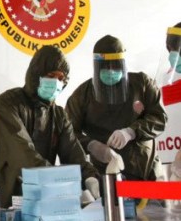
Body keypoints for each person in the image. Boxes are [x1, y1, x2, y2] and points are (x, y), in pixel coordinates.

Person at [0, 45, 100, 208]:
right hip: (2, 200)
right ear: (36, 75)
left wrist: (90, 177)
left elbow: (73, 152)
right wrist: (62, 184)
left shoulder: (58, 115)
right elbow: (22, 155)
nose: (56, 82)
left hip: (39, 200)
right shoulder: (6, 105)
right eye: (50, 76)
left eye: (60, 78)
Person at [65, 35, 167, 181]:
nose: (111, 71)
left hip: (146, 169)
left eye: (116, 66)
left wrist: (131, 132)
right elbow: (68, 132)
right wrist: (92, 146)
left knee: (153, 195)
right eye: (105, 67)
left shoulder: (142, 84)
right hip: (106, 172)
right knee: (112, 195)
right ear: (96, 66)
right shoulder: (82, 95)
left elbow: (159, 118)